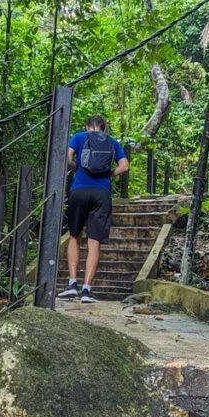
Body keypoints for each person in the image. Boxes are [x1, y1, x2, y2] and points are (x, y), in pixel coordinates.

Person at [58, 115, 128, 303]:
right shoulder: (112, 141)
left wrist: (76, 167)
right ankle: (87, 290)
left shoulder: (79, 137)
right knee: (94, 242)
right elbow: (124, 166)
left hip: (79, 190)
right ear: (103, 128)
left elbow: (67, 158)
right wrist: (108, 174)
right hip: (101, 193)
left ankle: (72, 284)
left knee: (74, 236)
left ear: (87, 126)